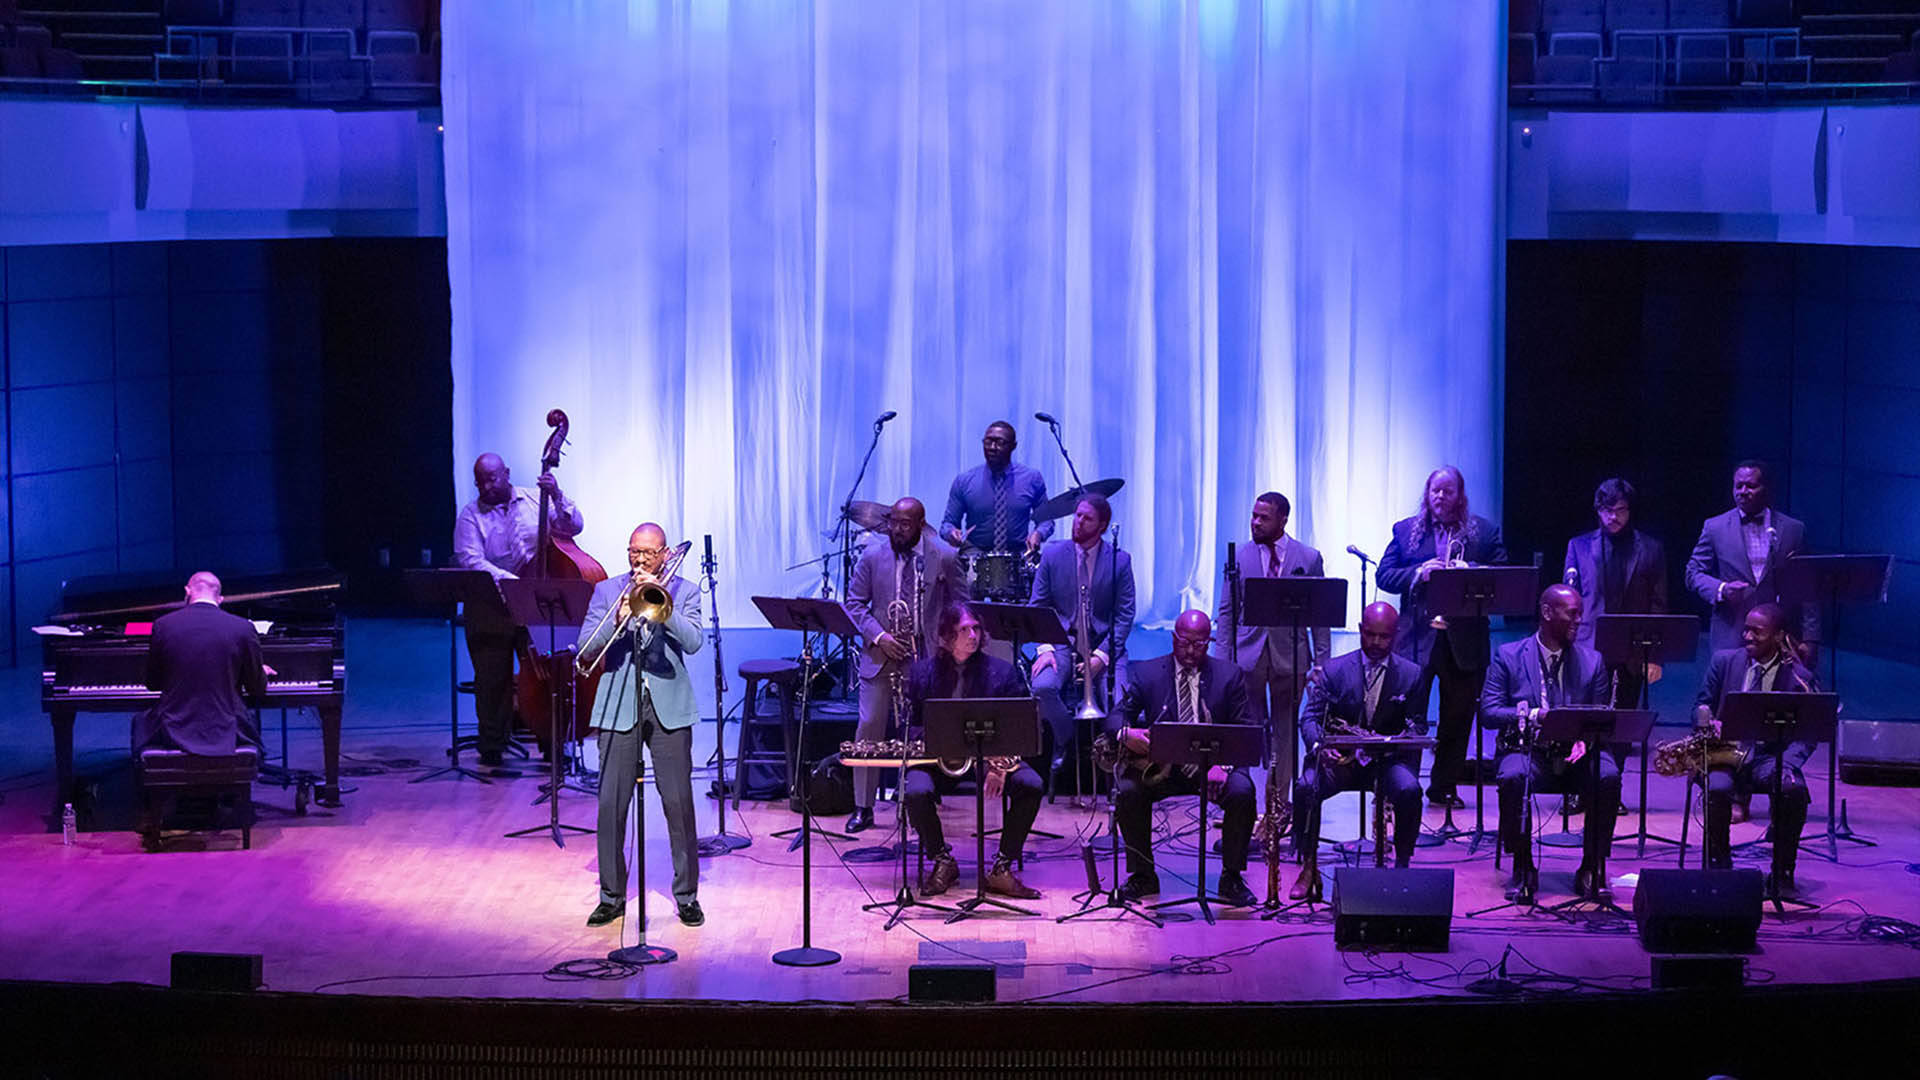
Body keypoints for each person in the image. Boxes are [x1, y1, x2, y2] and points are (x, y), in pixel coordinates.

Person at [580, 524, 704, 929]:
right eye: (634, 552)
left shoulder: (683, 591)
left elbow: (694, 642)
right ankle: (611, 896)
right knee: (611, 805)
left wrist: (661, 608)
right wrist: (617, 615)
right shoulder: (606, 591)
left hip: (669, 705)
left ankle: (686, 896)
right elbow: (584, 650)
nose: (639, 560)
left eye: (648, 553)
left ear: (664, 554)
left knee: (679, 805)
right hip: (619, 705)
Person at [1107, 610, 1257, 908]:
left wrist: (1224, 766)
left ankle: (1231, 876)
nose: (1191, 651)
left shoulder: (1229, 676)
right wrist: (1127, 733)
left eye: (1199, 644)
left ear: (1209, 642)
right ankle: (1143, 875)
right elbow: (1115, 717)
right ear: (1174, 638)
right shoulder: (1147, 673)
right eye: (1185, 643)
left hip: (1213, 767)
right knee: (1127, 791)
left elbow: (1245, 731)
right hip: (1162, 768)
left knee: (1242, 792)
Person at [1377, 465, 1507, 809]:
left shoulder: (1485, 532)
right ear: (1427, 493)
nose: (1440, 497)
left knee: (1458, 716)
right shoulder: (1406, 532)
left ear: (1459, 495)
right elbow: (1384, 575)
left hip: (1464, 641)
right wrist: (1419, 572)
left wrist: (1470, 572)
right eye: (1435, 491)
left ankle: (1443, 787)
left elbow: (1503, 576)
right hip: (1416, 640)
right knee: (1406, 716)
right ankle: (1400, 786)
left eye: (1448, 491)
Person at [1481, 585, 1617, 904]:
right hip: (1528, 750)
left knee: (1608, 777)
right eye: (1572, 613)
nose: (1579, 620)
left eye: (1580, 613)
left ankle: (1592, 867)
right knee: (1513, 777)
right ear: (1546, 613)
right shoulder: (1509, 655)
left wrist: (1585, 739)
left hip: (1577, 755)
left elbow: (1601, 717)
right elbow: (1488, 711)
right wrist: (1533, 714)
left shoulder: (1592, 661)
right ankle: (1523, 865)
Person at [901, 603, 1044, 900]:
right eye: (963, 630)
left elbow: (1016, 729)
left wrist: (1000, 767)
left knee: (1031, 785)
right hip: (936, 761)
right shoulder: (923, 673)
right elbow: (909, 726)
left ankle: (1001, 868)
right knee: (915, 791)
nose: (972, 636)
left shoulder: (1001, 674)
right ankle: (942, 860)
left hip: (986, 759)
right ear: (945, 636)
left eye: (976, 628)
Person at [843, 497, 968, 833]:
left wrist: (946, 642)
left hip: (924, 658)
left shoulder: (944, 555)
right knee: (869, 726)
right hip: (882, 655)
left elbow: (962, 607)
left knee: (919, 733)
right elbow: (854, 604)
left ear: (920, 523)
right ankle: (863, 806)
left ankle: (916, 802)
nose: (897, 529)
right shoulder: (871, 556)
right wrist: (880, 636)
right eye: (893, 523)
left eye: (905, 524)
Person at [452, 451, 583, 766]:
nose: (486, 486)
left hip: (535, 603)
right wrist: (515, 582)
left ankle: (552, 743)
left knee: (545, 675)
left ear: (507, 473)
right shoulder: (470, 515)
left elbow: (573, 527)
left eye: (492, 478)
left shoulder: (534, 500)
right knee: (491, 679)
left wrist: (557, 494)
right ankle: (492, 748)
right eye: (480, 481)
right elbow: (471, 560)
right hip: (491, 606)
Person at [1214, 491, 1331, 834]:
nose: (1255, 522)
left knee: (1284, 735)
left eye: (1263, 517)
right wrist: (1223, 661)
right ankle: (1244, 807)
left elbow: (1320, 616)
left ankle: (1278, 810)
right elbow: (1226, 612)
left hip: (1290, 658)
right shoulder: (1241, 556)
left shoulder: (1307, 558)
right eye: (1253, 516)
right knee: (1248, 734)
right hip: (1248, 658)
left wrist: (1321, 662)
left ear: (1282, 520)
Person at [1290, 603, 1424, 899]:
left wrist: (1401, 741)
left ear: (1396, 636)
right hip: (1340, 762)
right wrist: (1320, 747)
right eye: (1371, 635)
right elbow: (1310, 718)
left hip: (1385, 763)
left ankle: (1402, 865)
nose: (1376, 643)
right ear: (1361, 631)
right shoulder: (1335, 670)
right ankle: (1308, 866)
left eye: (1384, 637)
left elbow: (1417, 727)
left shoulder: (1412, 675)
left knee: (1410, 790)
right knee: (1305, 788)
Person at [1693, 603, 1820, 892]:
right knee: (1717, 789)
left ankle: (1782, 873)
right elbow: (1701, 703)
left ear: (1778, 636)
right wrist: (1705, 720)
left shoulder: (1799, 677)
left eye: (1757, 632)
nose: (1748, 636)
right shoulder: (1724, 661)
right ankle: (1718, 867)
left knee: (1793, 790)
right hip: (1725, 753)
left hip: (1768, 758)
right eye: (1746, 629)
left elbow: (1808, 733)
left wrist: (1788, 763)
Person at [1029, 493, 1136, 773]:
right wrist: (1045, 649)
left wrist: (1103, 656)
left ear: (1102, 526)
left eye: (1087, 518)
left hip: (1103, 644)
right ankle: (1067, 738)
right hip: (1060, 641)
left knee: (1119, 699)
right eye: (1077, 515)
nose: (1078, 522)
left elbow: (1125, 615)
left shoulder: (1120, 561)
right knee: (1042, 687)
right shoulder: (1052, 555)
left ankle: (1112, 754)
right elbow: (1037, 607)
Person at [1685, 460, 1818, 660]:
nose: (1743, 491)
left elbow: (1808, 586)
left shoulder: (1793, 530)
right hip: (1731, 632)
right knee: (1732, 689)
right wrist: (1722, 589)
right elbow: (1693, 573)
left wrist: (1811, 638)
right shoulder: (1715, 527)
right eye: (1738, 486)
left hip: (1780, 632)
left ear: (1766, 488)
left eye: (1751, 486)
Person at [133, 572, 267, 757]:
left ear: (187, 591)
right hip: (227, 730)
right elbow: (256, 688)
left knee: (140, 723)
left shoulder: (163, 625)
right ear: (220, 598)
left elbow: (153, 683)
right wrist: (259, 672)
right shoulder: (243, 627)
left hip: (173, 730)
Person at [1564, 477, 1669, 710]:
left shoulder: (1652, 548)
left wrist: (1654, 656)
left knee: (1624, 725)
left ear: (1630, 510)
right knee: (1583, 723)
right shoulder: (1577, 546)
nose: (1613, 517)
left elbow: (1658, 605)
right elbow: (1568, 603)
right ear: (1598, 510)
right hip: (1587, 648)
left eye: (1620, 510)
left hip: (1632, 650)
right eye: (1607, 510)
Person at [940, 420, 1053, 556]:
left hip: (1018, 557)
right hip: (975, 557)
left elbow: (1046, 520)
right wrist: (951, 533)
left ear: (1013, 446)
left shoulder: (1032, 478)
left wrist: (1038, 533)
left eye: (1000, 442)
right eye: (988, 442)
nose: (992, 447)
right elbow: (947, 524)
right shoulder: (964, 481)